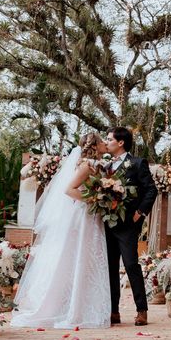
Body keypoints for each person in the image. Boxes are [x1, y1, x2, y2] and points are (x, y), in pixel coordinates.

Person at [11, 133, 111, 329]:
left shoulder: (96, 165)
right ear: (95, 145)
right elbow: (69, 190)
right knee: (78, 257)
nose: (106, 144)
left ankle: (83, 304)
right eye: (103, 141)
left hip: (92, 217)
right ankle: (69, 308)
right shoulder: (85, 165)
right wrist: (94, 200)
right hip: (82, 216)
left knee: (88, 259)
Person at [105, 127, 158, 326]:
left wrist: (140, 213)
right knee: (110, 268)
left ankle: (141, 310)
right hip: (107, 224)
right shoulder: (106, 166)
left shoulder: (137, 163)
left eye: (110, 139)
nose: (106, 142)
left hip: (128, 224)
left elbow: (151, 190)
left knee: (131, 265)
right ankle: (113, 311)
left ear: (121, 143)